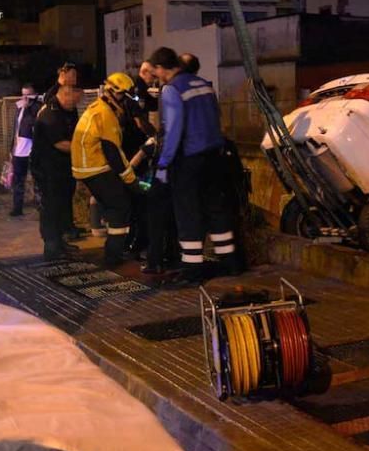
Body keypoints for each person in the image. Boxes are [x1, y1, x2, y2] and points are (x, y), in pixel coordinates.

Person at [148, 47, 241, 283]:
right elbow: (216, 117)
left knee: (188, 212)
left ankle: (192, 268)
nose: (156, 77)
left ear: (161, 68)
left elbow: (173, 130)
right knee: (216, 208)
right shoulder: (204, 84)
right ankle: (229, 261)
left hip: (189, 158)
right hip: (215, 156)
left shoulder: (172, 89)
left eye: (155, 71)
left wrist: (163, 164)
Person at [71, 73, 139, 267]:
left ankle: (114, 250)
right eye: (124, 96)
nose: (126, 101)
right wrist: (131, 180)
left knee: (113, 205)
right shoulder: (106, 114)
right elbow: (113, 152)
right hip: (96, 168)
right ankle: (113, 256)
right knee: (120, 207)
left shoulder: (99, 108)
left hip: (87, 168)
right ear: (113, 93)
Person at [31, 85, 81, 261]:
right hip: (47, 170)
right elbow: (60, 143)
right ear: (66, 95)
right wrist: (85, 150)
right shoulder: (50, 115)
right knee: (51, 207)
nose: (76, 103)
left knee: (62, 206)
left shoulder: (68, 111)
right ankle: (51, 246)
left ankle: (60, 242)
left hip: (63, 168)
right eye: (75, 99)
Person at [9, 85, 39, 217]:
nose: (25, 97)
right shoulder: (19, 108)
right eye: (23, 94)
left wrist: (27, 110)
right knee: (18, 180)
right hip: (18, 150)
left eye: (28, 94)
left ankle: (40, 207)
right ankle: (17, 208)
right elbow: (15, 129)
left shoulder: (36, 108)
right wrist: (12, 149)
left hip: (31, 149)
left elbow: (34, 124)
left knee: (36, 179)